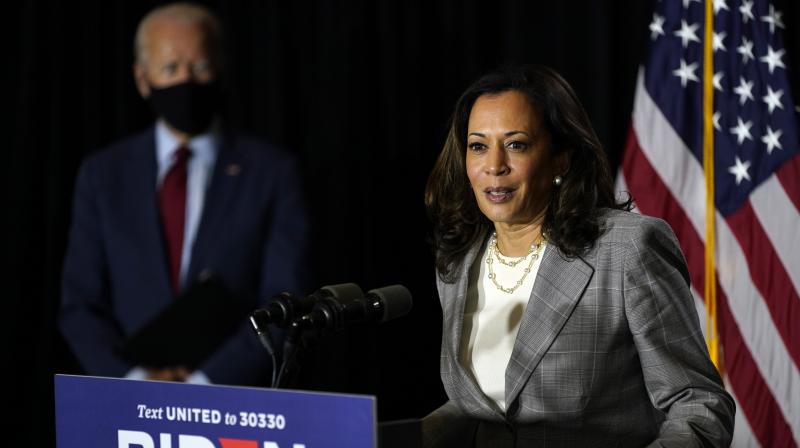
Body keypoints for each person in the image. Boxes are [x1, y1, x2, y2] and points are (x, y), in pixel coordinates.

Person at [422, 65, 734, 447]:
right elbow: (488, 406)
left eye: (516, 144)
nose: (494, 166)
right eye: (478, 146)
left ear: (561, 159)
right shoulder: (458, 263)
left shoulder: (626, 250)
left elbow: (699, 404)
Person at [59, 3, 308, 386]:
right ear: (143, 80)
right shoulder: (102, 174)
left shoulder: (272, 173)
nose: (186, 81)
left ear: (220, 70)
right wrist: (137, 379)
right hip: (129, 402)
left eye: (200, 67)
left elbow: (285, 299)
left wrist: (203, 383)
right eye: (170, 68)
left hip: (233, 400)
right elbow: (80, 304)